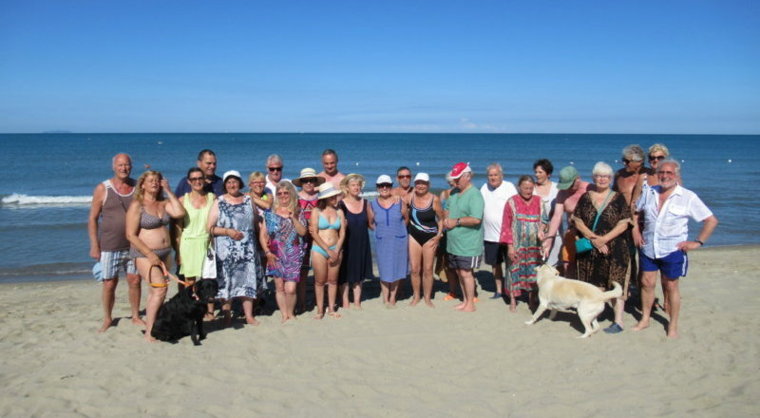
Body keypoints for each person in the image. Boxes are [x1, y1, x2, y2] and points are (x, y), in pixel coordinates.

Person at [632, 159, 717, 338]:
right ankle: (645, 319)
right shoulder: (649, 192)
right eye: (661, 172)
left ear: (677, 175)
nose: (664, 176)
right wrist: (636, 233)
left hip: (673, 250)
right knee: (647, 283)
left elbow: (710, 220)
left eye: (669, 173)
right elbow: (635, 212)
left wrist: (698, 242)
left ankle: (672, 325)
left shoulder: (687, 196)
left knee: (671, 286)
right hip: (648, 248)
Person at [571, 162, 632, 333]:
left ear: (610, 178)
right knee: (592, 282)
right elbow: (577, 220)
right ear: (593, 178)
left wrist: (604, 239)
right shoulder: (585, 197)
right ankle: (593, 317)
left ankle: (618, 321)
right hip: (590, 248)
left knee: (616, 282)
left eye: (605, 176)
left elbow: (624, 223)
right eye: (598, 176)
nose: (602, 179)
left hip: (615, 248)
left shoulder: (619, 198)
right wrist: (594, 239)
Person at [125, 170, 185, 342]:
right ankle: (149, 331)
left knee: (156, 292)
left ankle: (153, 325)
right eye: (150, 180)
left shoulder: (163, 203)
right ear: (142, 184)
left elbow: (179, 213)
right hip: (144, 254)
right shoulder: (138, 205)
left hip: (165, 253)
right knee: (160, 289)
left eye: (157, 180)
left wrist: (169, 190)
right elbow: (130, 234)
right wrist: (149, 254)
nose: (154, 183)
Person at [88, 153, 143, 332]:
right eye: (120, 165)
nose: (123, 168)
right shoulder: (103, 188)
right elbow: (93, 219)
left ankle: (135, 316)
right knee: (109, 283)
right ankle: (107, 318)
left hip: (134, 244)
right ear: (114, 167)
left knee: (134, 281)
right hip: (109, 246)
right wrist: (95, 245)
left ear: (131, 167)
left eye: (126, 165)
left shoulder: (138, 187)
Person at [207, 170, 266, 326]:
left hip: (248, 249)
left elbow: (255, 223)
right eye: (229, 182)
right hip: (226, 250)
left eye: (235, 182)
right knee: (227, 283)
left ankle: (248, 315)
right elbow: (210, 228)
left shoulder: (248, 200)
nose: (232, 185)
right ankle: (227, 315)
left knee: (248, 281)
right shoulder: (219, 201)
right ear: (225, 185)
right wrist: (228, 231)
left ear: (240, 183)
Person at [260, 181, 307, 323]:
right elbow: (263, 235)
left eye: (286, 193)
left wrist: (292, 217)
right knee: (279, 287)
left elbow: (303, 232)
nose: (283, 196)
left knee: (291, 288)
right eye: (279, 193)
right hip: (275, 253)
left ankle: (291, 312)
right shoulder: (270, 213)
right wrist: (267, 252)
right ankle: (284, 314)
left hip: (293, 252)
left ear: (291, 193)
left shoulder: (298, 210)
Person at [500, 175, 546, 312]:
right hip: (517, 245)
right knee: (513, 271)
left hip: (534, 246)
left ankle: (532, 299)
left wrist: (542, 229)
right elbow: (506, 226)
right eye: (525, 188)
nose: (528, 191)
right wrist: (510, 246)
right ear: (519, 187)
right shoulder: (511, 202)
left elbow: (545, 220)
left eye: (531, 188)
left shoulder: (539, 201)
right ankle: (513, 300)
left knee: (533, 273)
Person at [442, 162, 484, 313]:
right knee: (459, 272)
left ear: (468, 176)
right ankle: (465, 300)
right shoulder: (454, 193)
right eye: (454, 178)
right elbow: (447, 208)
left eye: (458, 178)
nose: (455, 181)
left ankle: (470, 304)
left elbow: (476, 219)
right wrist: (446, 219)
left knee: (466, 273)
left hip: (469, 244)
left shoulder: (475, 195)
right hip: (454, 243)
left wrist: (457, 221)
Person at [174, 167, 216, 298]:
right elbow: (177, 229)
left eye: (200, 178)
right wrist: (177, 252)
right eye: (194, 179)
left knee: (208, 280)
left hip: (207, 243)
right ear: (188, 181)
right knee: (189, 282)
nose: (197, 181)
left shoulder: (212, 198)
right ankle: (189, 309)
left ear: (204, 180)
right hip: (188, 243)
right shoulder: (182, 200)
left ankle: (210, 313)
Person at [543, 166, 591, 278]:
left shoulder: (589, 189)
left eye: (570, 185)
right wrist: (549, 239)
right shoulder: (562, 193)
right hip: (571, 233)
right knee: (567, 265)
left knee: (586, 268)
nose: (568, 188)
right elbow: (557, 216)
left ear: (578, 179)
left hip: (588, 235)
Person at [369, 175, 409, 306]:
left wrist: (397, 231)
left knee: (397, 268)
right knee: (384, 268)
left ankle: (393, 297)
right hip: (382, 240)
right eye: (381, 185)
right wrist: (381, 232)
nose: (384, 188)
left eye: (387, 185)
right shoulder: (372, 204)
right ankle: (385, 297)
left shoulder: (399, 202)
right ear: (377, 187)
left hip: (399, 240)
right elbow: (370, 223)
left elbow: (406, 219)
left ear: (391, 186)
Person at [406, 172, 444, 307]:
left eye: (423, 183)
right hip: (414, 236)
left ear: (428, 184)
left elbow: (441, 218)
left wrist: (439, 235)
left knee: (428, 269)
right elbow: (401, 212)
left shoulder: (434, 199)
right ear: (414, 184)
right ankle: (416, 296)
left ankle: (427, 297)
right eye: (418, 183)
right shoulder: (409, 197)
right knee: (415, 269)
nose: (420, 185)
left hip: (430, 237)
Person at [480, 163, 516, 299]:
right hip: (490, 235)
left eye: (495, 175)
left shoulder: (509, 187)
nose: (493, 177)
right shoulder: (484, 187)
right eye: (490, 175)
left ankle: (511, 290)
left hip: (507, 235)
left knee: (511, 263)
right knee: (495, 264)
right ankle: (499, 290)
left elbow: (515, 207)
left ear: (501, 175)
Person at [310, 183, 346, 319]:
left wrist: (336, 249)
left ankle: (331, 309)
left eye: (334, 195)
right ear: (324, 198)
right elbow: (314, 233)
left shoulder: (339, 212)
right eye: (330, 196)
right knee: (320, 281)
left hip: (335, 248)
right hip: (319, 249)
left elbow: (342, 233)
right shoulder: (316, 211)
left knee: (333, 281)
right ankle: (320, 310)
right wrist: (327, 250)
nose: (334, 198)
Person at [338, 173, 374, 309]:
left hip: (362, 242)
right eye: (353, 185)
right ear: (347, 187)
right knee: (345, 272)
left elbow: (371, 224)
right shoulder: (341, 204)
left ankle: (357, 301)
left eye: (358, 185)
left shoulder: (366, 203)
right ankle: (346, 301)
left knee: (359, 272)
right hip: (346, 242)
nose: (356, 187)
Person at [293, 167, 325, 313]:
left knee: (321, 271)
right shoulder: (296, 198)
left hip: (320, 238)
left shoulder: (321, 198)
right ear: (301, 183)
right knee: (302, 273)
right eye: (306, 181)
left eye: (311, 180)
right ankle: (302, 302)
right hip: (301, 239)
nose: (309, 183)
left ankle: (321, 302)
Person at [533, 159, 562, 267]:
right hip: (537, 233)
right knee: (538, 265)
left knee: (556, 265)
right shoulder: (532, 189)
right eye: (536, 172)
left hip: (555, 232)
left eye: (540, 172)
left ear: (548, 174)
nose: (537, 175)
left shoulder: (557, 188)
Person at [437, 175, 460, 300]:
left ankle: (468, 290)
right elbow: (439, 213)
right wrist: (439, 231)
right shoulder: (444, 194)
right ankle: (452, 290)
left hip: (461, 232)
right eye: (451, 182)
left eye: (456, 181)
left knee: (463, 264)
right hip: (447, 232)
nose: (454, 184)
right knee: (448, 263)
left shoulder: (463, 194)